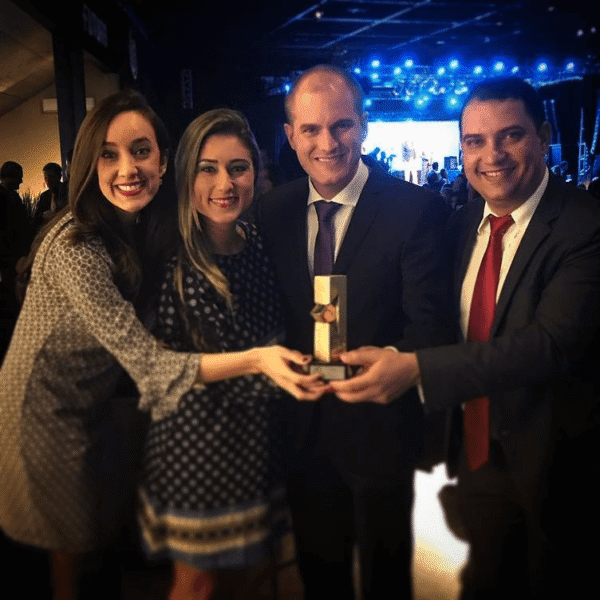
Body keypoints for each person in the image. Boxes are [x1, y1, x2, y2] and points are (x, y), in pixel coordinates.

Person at [0, 91, 321, 600]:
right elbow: (153, 365)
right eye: (108, 154)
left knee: (110, 550)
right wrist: (261, 361)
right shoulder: (84, 245)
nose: (128, 168)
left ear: (164, 161)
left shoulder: (158, 228)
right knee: (73, 550)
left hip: (119, 404)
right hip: (50, 408)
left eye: (141, 151)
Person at [330, 77, 600, 598]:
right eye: (475, 141)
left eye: (510, 136)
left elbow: (549, 345)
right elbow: (433, 319)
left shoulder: (584, 225)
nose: (491, 156)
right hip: (477, 458)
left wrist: (416, 369)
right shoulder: (459, 225)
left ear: (544, 137)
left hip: (560, 467)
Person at [257, 64, 451, 600]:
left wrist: (394, 361)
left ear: (363, 125)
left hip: (379, 429)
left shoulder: (414, 210)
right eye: (311, 129)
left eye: (341, 125)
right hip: (301, 429)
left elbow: (431, 326)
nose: (327, 143)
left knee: (387, 578)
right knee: (320, 578)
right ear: (290, 134)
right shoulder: (272, 211)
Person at [137, 108, 325, 600]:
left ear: (256, 173)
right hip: (197, 445)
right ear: (186, 175)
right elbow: (162, 368)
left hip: (260, 440)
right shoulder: (172, 256)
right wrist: (264, 361)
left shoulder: (256, 240)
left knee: (254, 577)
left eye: (238, 168)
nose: (225, 183)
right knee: (197, 585)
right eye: (208, 168)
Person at [0, 160, 33, 357]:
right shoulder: (5, 198)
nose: (21, 182)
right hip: (8, 259)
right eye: (19, 178)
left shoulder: (12, 196)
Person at [32, 162, 68, 232]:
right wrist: (43, 216)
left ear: (59, 176)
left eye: (51, 177)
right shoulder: (44, 196)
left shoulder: (67, 190)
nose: (48, 180)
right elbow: (37, 217)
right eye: (46, 177)